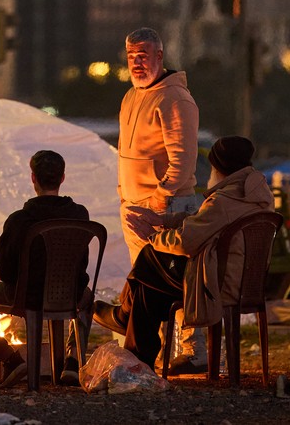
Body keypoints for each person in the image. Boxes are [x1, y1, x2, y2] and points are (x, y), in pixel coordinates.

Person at [92, 136, 273, 371]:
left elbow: (188, 241)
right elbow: (203, 220)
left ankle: (127, 325)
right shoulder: (256, 193)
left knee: (149, 255)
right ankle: (137, 356)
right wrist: (163, 220)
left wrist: (152, 235)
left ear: (219, 167)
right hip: (244, 280)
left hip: (216, 284)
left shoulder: (225, 200)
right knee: (149, 290)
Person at [115, 26, 202, 370]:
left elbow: (183, 159)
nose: (137, 63)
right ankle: (154, 352)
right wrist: (126, 197)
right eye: (132, 56)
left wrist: (160, 200)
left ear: (159, 57)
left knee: (176, 280)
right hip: (135, 208)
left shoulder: (175, 99)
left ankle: (193, 353)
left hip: (167, 210)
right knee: (147, 285)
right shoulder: (130, 96)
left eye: (144, 55)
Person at [0, 150, 90, 387]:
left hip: (26, 296)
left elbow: (4, 268)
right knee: (87, 296)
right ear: (62, 178)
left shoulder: (20, 220)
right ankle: (72, 360)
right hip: (69, 295)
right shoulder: (80, 215)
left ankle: (9, 358)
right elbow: (82, 263)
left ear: (33, 178)